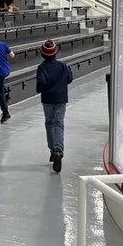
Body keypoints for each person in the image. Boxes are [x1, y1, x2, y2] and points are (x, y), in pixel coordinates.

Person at [35, 39, 74, 173]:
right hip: (61, 98)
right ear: (56, 53)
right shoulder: (63, 66)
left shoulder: (42, 68)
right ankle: (58, 150)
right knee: (59, 124)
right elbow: (69, 78)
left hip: (47, 99)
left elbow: (41, 84)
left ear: (42, 54)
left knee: (49, 123)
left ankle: (52, 150)